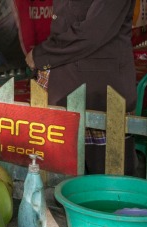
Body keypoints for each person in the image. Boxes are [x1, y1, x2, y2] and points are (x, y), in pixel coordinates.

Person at [25, 0, 138, 175]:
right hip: (64, 90)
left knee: (107, 183)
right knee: (59, 178)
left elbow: (93, 32)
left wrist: (42, 55)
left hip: (99, 91)